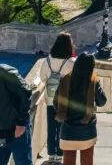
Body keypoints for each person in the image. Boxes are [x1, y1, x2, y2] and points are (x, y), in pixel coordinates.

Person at [54, 51, 107, 165]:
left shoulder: (65, 79)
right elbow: (102, 102)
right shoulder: (93, 81)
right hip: (87, 129)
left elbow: (55, 103)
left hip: (68, 129)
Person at [38, 31, 76, 163]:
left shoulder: (47, 61)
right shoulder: (71, 62)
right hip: (64, 101)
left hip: (50, 98)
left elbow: (42, 78)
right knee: (62, 127)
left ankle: (51, 153)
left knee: (50, 126)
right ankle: (60, 154)